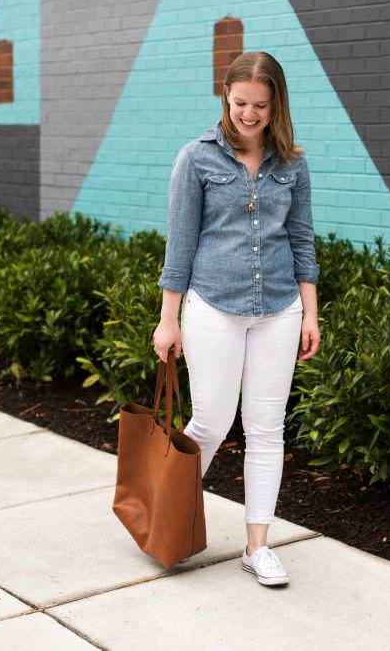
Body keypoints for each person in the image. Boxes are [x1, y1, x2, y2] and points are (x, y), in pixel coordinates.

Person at [153, 51, 321, 587]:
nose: (249, 114)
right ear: (226, 96)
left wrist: (310, 314)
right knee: (211, 422)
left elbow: (302, 241)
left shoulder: (292, 164)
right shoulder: (196, 158)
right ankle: (164, 519)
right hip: (213, 306)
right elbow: (179, 246)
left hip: (279, 308)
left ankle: (258, 546)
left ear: (277, 106)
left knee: (267, 430)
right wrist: (167, 320)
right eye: (241, 102)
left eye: (261, 106)